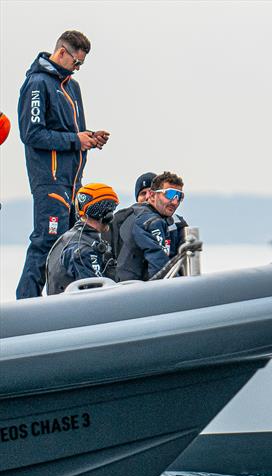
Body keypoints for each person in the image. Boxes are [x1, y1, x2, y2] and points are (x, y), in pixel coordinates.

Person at [16, 30, 110, 299]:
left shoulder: (72, 86)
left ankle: (62, 303)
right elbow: (31, 134)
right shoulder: (37, 83)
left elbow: (73, 132)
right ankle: (26, 305)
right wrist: (74, 140)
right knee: (45, 242)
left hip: (73, 181)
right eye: (76, 63)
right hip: (50, 179)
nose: (78, 69)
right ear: (61, 53)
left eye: (82, 65)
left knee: (72, 244)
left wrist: (90, 137)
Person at [45, 183, 118, 295]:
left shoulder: (70, 238)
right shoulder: (84, 249)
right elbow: (97, 294)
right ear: (105, 213)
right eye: (111, 210)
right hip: (72, 310)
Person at [115, 171, 185, 281]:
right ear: (152, 195)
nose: (175, 201)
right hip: (132, 290)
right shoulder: (150, 221)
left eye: (179, 196)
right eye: (170, 194)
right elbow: (159, 267)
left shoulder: (174, 223)